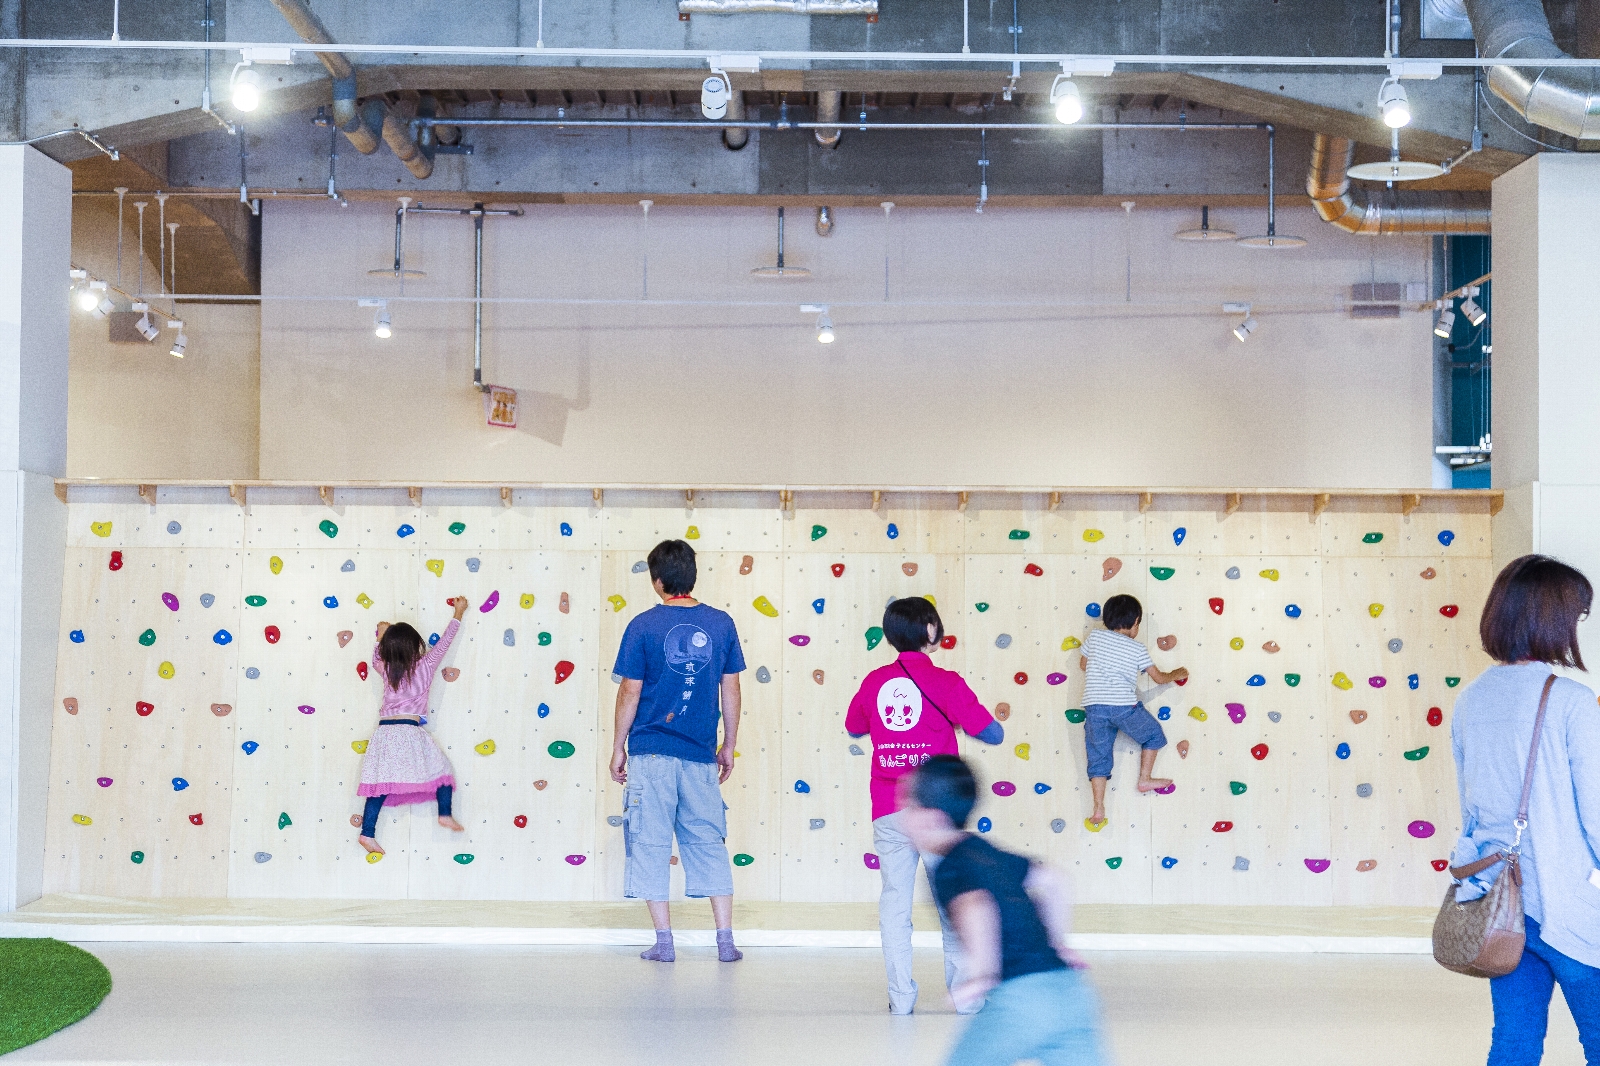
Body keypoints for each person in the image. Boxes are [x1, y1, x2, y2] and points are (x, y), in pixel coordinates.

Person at [1450, 554, 1600, 1065]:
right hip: (1568, 910)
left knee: (1513, 1042)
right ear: (1551, 617)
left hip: (1504, 910)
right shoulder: (1572, 702)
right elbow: (1598, 817)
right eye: (1577, 615)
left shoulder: (1471, 700)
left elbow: (1472, 806)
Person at [846, 596, 1004, 1015]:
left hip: (889, 809)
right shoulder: (947, 682)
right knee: (955, 900)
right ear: (930, 632)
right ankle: (967, 999)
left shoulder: (873, 682)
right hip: (937, 815)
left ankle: (900, 999)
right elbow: (991, 733)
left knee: (894, 904)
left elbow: (853, 725)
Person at [900, 755, 1107, 1066]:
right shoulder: (986, 851)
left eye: (908, 805)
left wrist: (982, 975)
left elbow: (976, 906)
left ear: (932, 818)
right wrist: (1057, 944)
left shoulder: (948, 868)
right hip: (1071, 992)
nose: (901, 815)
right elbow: (1055, 880)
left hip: (1022, 1001)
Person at [610, 539, 746, 963]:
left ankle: (665, 943)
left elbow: (630, 691)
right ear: (692, 576)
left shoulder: (642, 626)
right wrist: (730, 745)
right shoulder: (721, 624)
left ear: (657, 581)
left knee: (650, 841)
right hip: (701, 753)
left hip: (650, 752)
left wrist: (617, 746)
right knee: (708, 839)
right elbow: (731, 687)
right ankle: (725, 941)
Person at [355, 595, 471, 856]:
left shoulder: (385, 668)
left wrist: (380, 635)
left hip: (385, 733)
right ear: (414, 645)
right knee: (441, 769)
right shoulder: (426, 665)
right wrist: (458, 613)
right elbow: (445, 643)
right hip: (408, 731)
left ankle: (367, 833)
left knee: (380, 784)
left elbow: (375, 657)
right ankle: (444, 813)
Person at [1080, 593, 1187, 828]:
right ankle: (1145, 779)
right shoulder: (1137, 649)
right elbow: (1158, 679)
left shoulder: (1095, 637)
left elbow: (1083, 665)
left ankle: (1098, 806)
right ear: (1136, 622)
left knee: (1098, 757)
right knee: (1153, 735)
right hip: (1122, 708)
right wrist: (1176, 674)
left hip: (1094, 708)